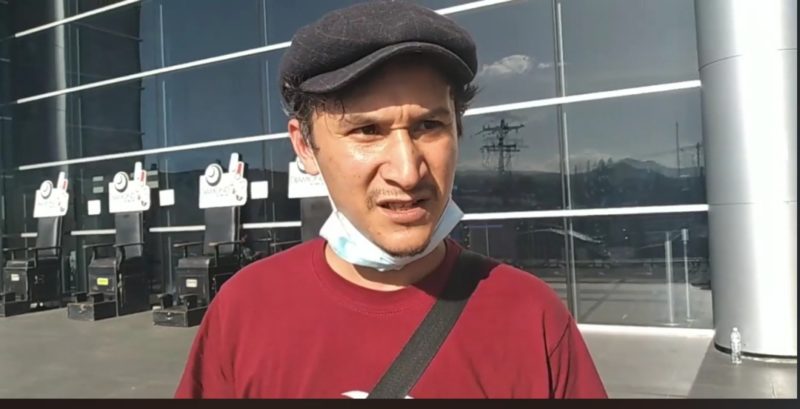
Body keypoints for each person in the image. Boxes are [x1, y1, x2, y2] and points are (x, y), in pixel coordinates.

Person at [175, 0, 607, 399]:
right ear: (305, 147)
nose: (407, 171)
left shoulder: (531, 317)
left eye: (429, 126)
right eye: (367, 131)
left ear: (458, 131)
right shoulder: (245, 309)